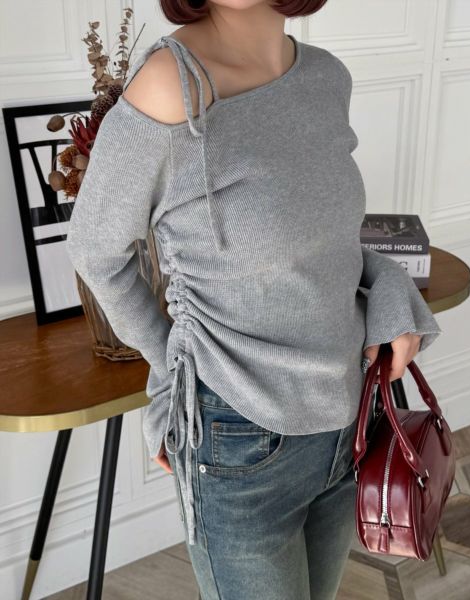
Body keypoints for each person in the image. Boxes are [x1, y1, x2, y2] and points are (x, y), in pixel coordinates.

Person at [66, 1, 442, 598]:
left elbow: (328, 241)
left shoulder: (325, 77)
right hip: (237, 434)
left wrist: (393, 297)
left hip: (346, 419)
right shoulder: (170, 86)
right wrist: (173, 375)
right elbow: (95, 251)